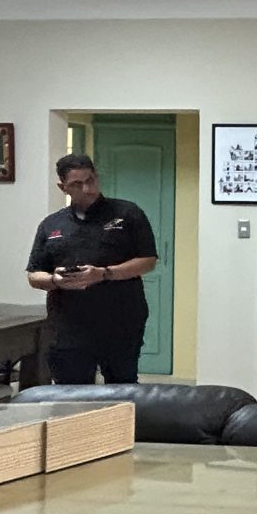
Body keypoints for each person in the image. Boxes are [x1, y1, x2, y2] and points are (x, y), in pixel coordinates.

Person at [25, 153, 159, 384]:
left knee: (122, 389)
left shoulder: (128, 213)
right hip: (68, 325)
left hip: (121, 321)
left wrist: (104, 274)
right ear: (63, 187)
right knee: (72, 393)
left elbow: (148, 260)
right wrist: (55, 280)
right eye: (77, 184)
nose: (87, 189)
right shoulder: (51, 224)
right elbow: (34, 274)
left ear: (96, 177)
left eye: (90, 181)